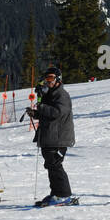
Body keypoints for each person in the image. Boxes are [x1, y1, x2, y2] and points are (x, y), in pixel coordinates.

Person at [26, 66, 76, 207]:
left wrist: (40, 107)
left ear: (58, 79)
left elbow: (58, 113)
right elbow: (47, 113)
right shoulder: (50, 94)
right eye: (46, 78)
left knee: (55, 165)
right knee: (50, 165)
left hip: (59, 137)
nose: (48, 81)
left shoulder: (62, 95)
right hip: (49, 135)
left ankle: (64, 195)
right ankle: (56, 193)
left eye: (51, 78)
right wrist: (35, 113)